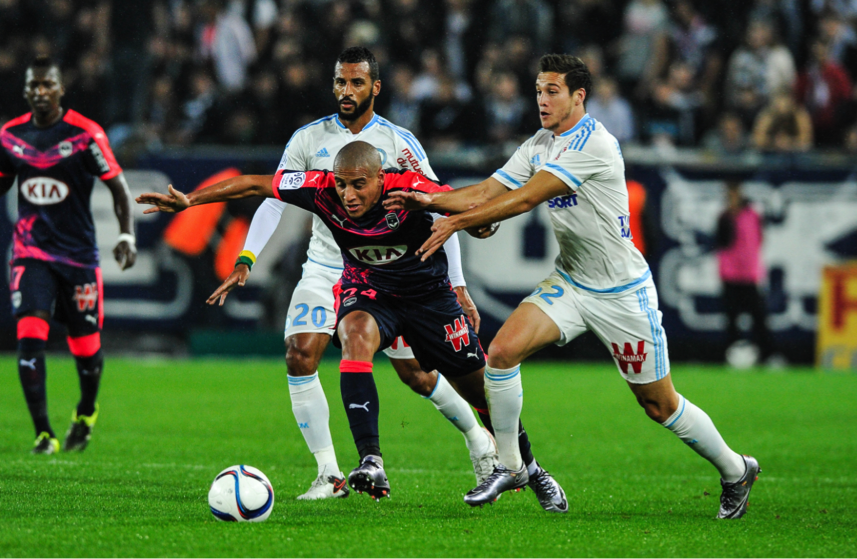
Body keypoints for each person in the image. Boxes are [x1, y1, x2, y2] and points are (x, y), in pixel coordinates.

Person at [385, 54, 760, 519]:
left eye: (552, 91)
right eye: (538, 90)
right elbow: (489, 190)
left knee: (659, 405)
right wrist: (431, 199)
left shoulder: (594, 143)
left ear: (579, 95)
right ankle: (510, 465)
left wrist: (454, 223)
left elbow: (525, 198)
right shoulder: (541, 141)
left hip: (622, 291)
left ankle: (736, 469)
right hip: (572, 280)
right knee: (500, 354)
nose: (541, 99)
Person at [137, 141, 567, 511]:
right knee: (354, 335)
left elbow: (461, 202)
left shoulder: (407, 187)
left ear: (381, 178)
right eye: (342, 183)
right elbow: (253, 183)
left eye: (359, 183)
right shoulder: (320, 188)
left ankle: (530, 468)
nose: (348, 193)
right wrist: (192, 199)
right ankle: (370, 461)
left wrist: (479, 222)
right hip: (369, 290)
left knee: (479, 391)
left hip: (428, 299)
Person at [213, 47, 496, 501]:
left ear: (375, 87)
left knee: (416, 376)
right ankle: (329, 473)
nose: (347, 91)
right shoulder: (307, 139)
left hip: (386, 271)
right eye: (340, 82)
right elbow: (271, 198)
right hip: (326, 264)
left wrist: (457, 284)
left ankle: (479, 439)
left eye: (356, 83)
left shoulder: (400, 144)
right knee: (299, 354)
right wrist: (247, 257)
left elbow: (441, 212)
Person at [0, 56, 137, 454]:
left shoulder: (85, 134)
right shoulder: (9, 136)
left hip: (78, 257)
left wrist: (127, 234)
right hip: (31, 253)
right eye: (33, 85)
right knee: (29, 336)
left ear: (61, 89)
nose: (40, 91)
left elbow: (118, 188)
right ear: (26, 91)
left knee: (87, 348)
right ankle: (43, 433)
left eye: (47, 85)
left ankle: (86, 411)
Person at [716, 179, 776, 363]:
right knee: (731, 319)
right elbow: (721, 243)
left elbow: (757, 241)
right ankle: (730, 356)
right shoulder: (724, 218)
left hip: (749, 275)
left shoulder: (752, 215)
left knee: (759, 318)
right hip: (730, 275)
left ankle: (768, 356)